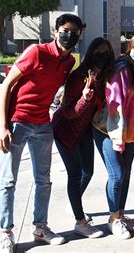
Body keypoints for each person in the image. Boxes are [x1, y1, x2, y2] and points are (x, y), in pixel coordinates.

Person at [0, 13, 83, 251]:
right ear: (55, 32)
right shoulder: (36, 52)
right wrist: (3, 125)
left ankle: (40, 227)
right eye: (65, 31)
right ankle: (6, 232)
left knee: (43, 180)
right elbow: (7, 84)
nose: (69, 36)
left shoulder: (68, 63)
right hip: (18, 122)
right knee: (8, 180)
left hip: (43, 124)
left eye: (74, 33)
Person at [52, 37, 115, 238]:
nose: (102, 56)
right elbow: (69, 111)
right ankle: (80, 221)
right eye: (98, 52)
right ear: (90, 54)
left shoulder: (104, 77)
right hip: (65, 130)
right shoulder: (78, 77)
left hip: (84, 131)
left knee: (88, 172)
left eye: (106, 53)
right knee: (75, 174)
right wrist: (86, 97)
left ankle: (74, 204)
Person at [92, 33, 134, 239]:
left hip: (130, 133)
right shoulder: (123, 68)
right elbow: (114, 106)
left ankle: (121, 214)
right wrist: (118, 138)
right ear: (128, 48)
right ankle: (113, 219)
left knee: (125, 174)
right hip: (108, 129)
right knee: (117, 174)